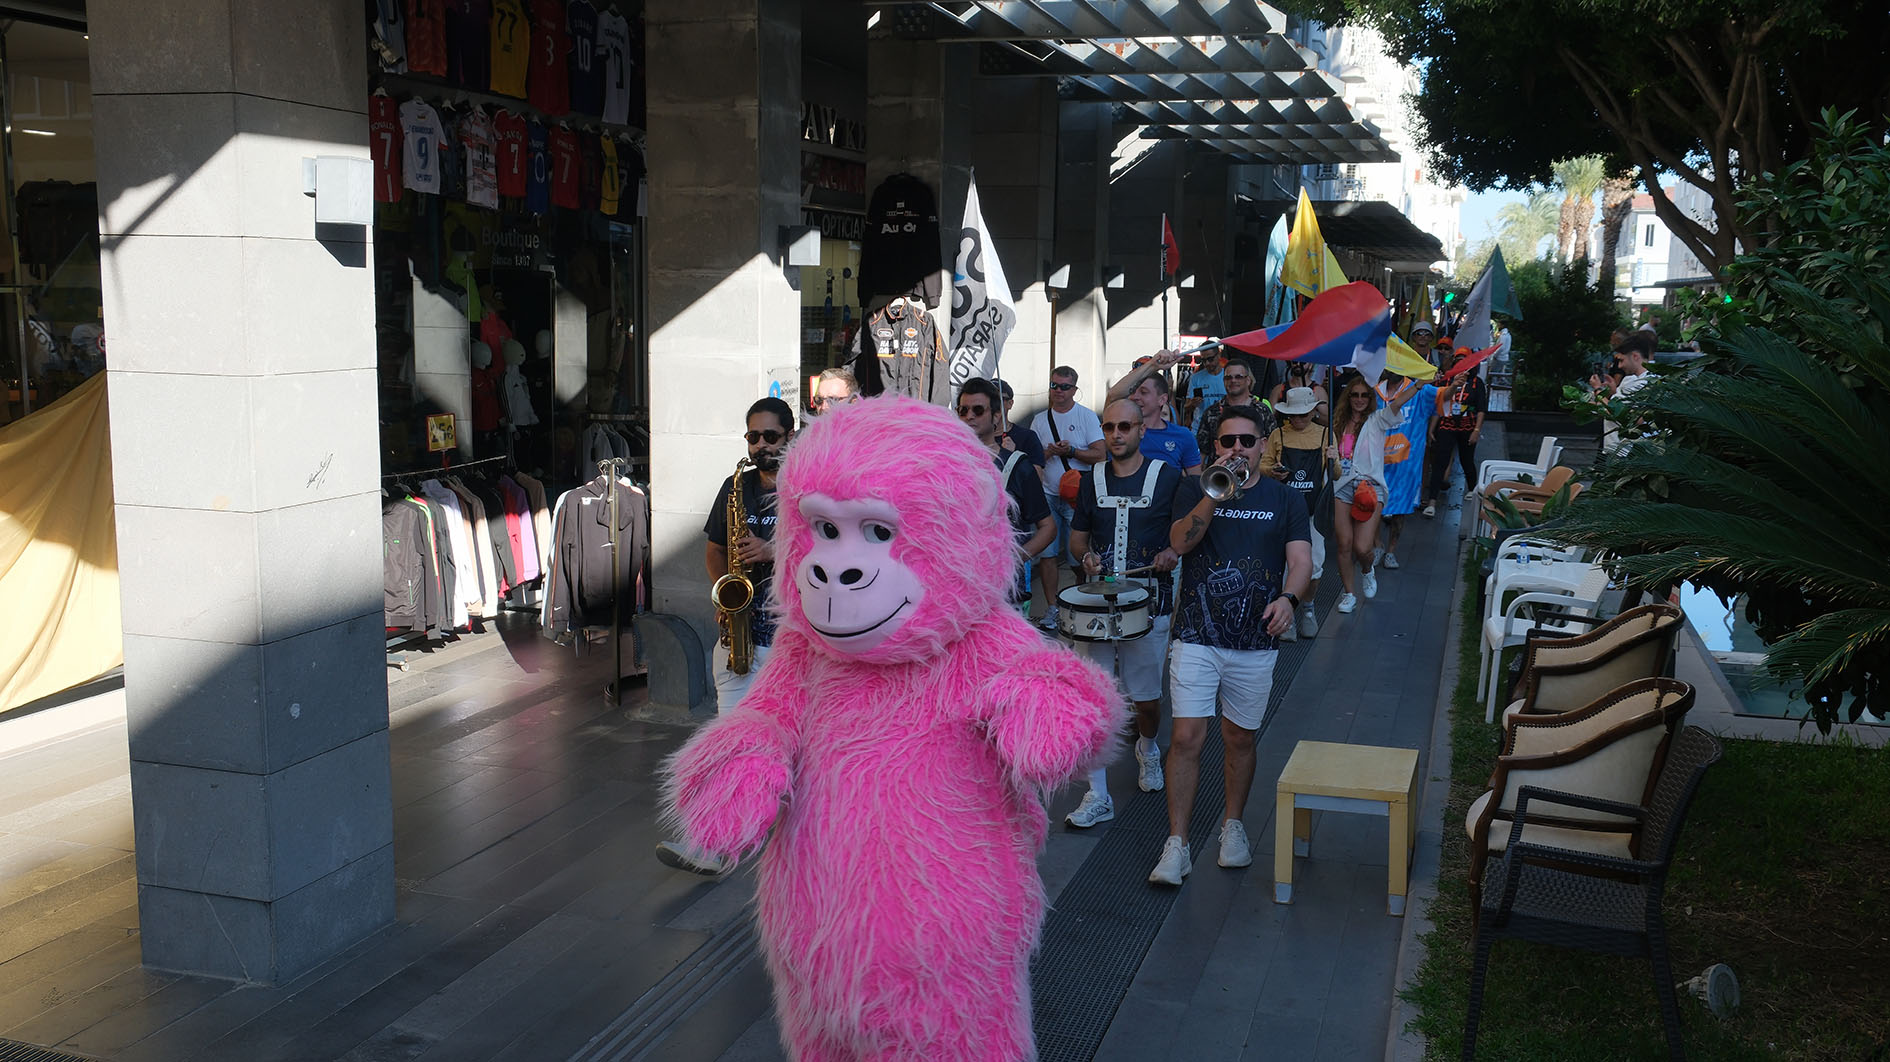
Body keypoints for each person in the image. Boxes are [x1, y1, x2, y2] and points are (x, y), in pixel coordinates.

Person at [1149, 404, 1311, 885]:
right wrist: (1214, 495)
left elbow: (1300, 561)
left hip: (1255, 640)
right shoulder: (1196, 488)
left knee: (1239, 738)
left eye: (1245, 440)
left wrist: (1289, 598)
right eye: (1227, 442)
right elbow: (1179, 543)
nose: (1236, 449)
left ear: (1264, 444)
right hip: (1197, 634)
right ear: (1214, 447)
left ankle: (1232, 825)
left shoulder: (1285, 499)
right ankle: (1176, 844)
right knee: (1185, 738)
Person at [658, 395, 796, 876]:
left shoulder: (807, 489)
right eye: (753, 437)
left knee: (789, 750)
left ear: (790, 436)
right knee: (730, 744)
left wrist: (774, 549)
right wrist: (722, 593)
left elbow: (826, 550)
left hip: (790, 645)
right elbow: (716, 548)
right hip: (739, 634)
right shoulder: (735, 486)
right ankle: (712, 843)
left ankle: (793, 838)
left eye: (770, 437)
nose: (761, 446)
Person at [1063, 398, 1183, 828]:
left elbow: (1187, 532)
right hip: (1097, 602)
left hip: (1150, 602)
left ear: (1141, 431)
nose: (1116, 435)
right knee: (1094, 699)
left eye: (1125, 427)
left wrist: (1173, 551)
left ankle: (1148, 749)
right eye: (1109, 427)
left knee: (1146, 700)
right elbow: (1077, 539)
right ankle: (1098, 794)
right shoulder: (1090, 479)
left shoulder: (1167, 478)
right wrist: (1087, 556)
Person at [1330, 373, 1423, 615]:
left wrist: (1419, 385)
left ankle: (1367, 571)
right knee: (1344, 544)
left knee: (1362, 548)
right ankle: (1349, 593)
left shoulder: (1378, 419)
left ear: (1370, 398)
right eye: (1354, 394)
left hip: (1369, 488)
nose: (1359, 399)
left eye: (1364, 395)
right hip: (1341, 485)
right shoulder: (1337, 424)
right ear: (1348, 397)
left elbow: (1397, 403)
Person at [960, 378, 1055, 606]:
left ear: (996, 416)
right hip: (959, 586)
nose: (969, 416)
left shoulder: (1017, 465)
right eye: (963, 410)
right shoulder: (947, 462)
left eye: (978, 409)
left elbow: (1048, 527)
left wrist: (1014, 558)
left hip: (1004, 588)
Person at [1029, 366, 1106, 633]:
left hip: (1078, 497)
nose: (1058, 391)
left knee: (1079, 556)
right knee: (1048, 556)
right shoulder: (1040, 420)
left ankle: (1080, 600)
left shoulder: (1086, 416)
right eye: (1054, 386)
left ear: (1075, 389)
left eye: (1064, 387)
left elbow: (1100, 454)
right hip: (1048, 494)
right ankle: (1053, 608)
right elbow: (1033, 460)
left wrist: (1073, 451)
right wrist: (1048, 453)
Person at [1260, 386, 1338, 640]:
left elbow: (1336, 476)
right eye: (1294, 415)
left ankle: (1308, 608)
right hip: (1284, 510)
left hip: (1314, 512)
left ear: (1314, 412)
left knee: (1314, 566)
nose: (1299, 419)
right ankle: (1288, 614)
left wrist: (1334, 460)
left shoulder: (1327, 434)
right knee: (1282, 565)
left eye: (1304, 414)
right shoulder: (1277, 435)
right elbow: (1262, 466)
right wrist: (1273, 472)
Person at [1376, 365, 1438, 570]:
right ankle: (1377, 545)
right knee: (1372, 506)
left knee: (1399, 512)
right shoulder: (1374, 391)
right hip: (1376, 462)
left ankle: (1391, 552)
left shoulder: (1419, 390)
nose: (1392, 369)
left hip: (1405, 466)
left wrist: (1455, 386)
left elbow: (1443, 397)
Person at [1108, 352, 1203, 475]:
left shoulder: (1183, 436)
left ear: (1162, 399)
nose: (1135, 397)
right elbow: (1112, 395)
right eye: (1132, 391)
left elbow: (1194, 482)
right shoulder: (1119, 431)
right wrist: (1153, 364)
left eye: (1144, 392)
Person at [1422, 348, 1489, 518]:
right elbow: (1439, 404)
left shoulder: (1477, 383)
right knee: (1440, 462)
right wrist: (1431, 429)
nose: (1461, 362)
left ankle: (1473, 489)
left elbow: (1481, 409)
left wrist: (1476, 430)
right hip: (1447, 425)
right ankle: (1432, 503)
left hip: (1468, 426)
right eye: (1458, 359)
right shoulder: (1448, 380)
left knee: (1467, 460)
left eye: (1464, 359)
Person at [1589, 329, 1655, 452]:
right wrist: (1614, 391)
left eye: (1621, 360)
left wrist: (1598, 390)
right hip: (1617, 450)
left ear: (1635, 356)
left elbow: (1628, 416)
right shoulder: (1632, 379)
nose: (1619, 366)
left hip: (1625, 453)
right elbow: (1622, 406)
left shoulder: (1646, 383)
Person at [992, 378, 1046, 474]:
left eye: (998, 399)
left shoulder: (1028, 437)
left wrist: (1014, 456)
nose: (992, 404)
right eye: (986, 399)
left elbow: (1037, 479)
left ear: (1010, 403)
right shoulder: (972, 437)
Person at [1183, 346, 1227, 430]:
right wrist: (1192, 404)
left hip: (1223, 427)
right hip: (1200, 428)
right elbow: (1186, 407)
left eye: (1210, 359)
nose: (1207, 363)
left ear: (1218, 355)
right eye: (1203, 360)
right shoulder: (1196, 378)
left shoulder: (1229, 376)